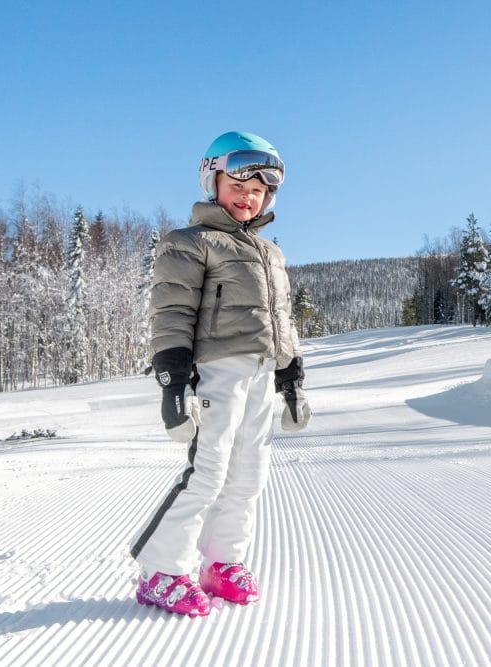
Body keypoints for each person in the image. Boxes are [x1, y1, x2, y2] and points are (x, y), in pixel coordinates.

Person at [129, 131, 312, 617]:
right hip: (215, 371)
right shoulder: (190, 242)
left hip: (258, 371)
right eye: (238, 185)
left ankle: (222, 562)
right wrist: (172, 379)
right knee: (208, 471)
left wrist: (291, 378)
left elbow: (283, 319)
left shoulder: (271, 254)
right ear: (212, 179)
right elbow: (171, 310)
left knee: (249, 473)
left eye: (259, 191)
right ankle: (161, 570)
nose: (248, 197)